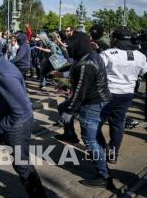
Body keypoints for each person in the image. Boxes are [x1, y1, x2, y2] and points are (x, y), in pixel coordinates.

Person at [0, 34, 46, 198]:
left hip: (17, 122)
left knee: (21, 164)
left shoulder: (4, 73)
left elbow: (20, 110)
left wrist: (0, 128)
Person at [59, 32, 113, 188]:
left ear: (79, 45)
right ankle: (104, 163)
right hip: (99, 101)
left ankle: (103, 175)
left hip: (92, 103)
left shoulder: (86, 64)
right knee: (95, 135)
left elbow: (80, 92)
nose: (69, 49)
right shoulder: (90, 55)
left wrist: (70, 111)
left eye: (71, 46)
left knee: (89, 139)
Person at [98, 28, 147, 164]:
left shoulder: (108, 53)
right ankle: (113, 154)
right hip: (127, 94)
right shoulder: (140, 56)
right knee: (118, 124)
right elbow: (144, 73)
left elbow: (97, 71)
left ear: (115, 39)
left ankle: (100, 150)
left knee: (95, 123)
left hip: (108, 93)